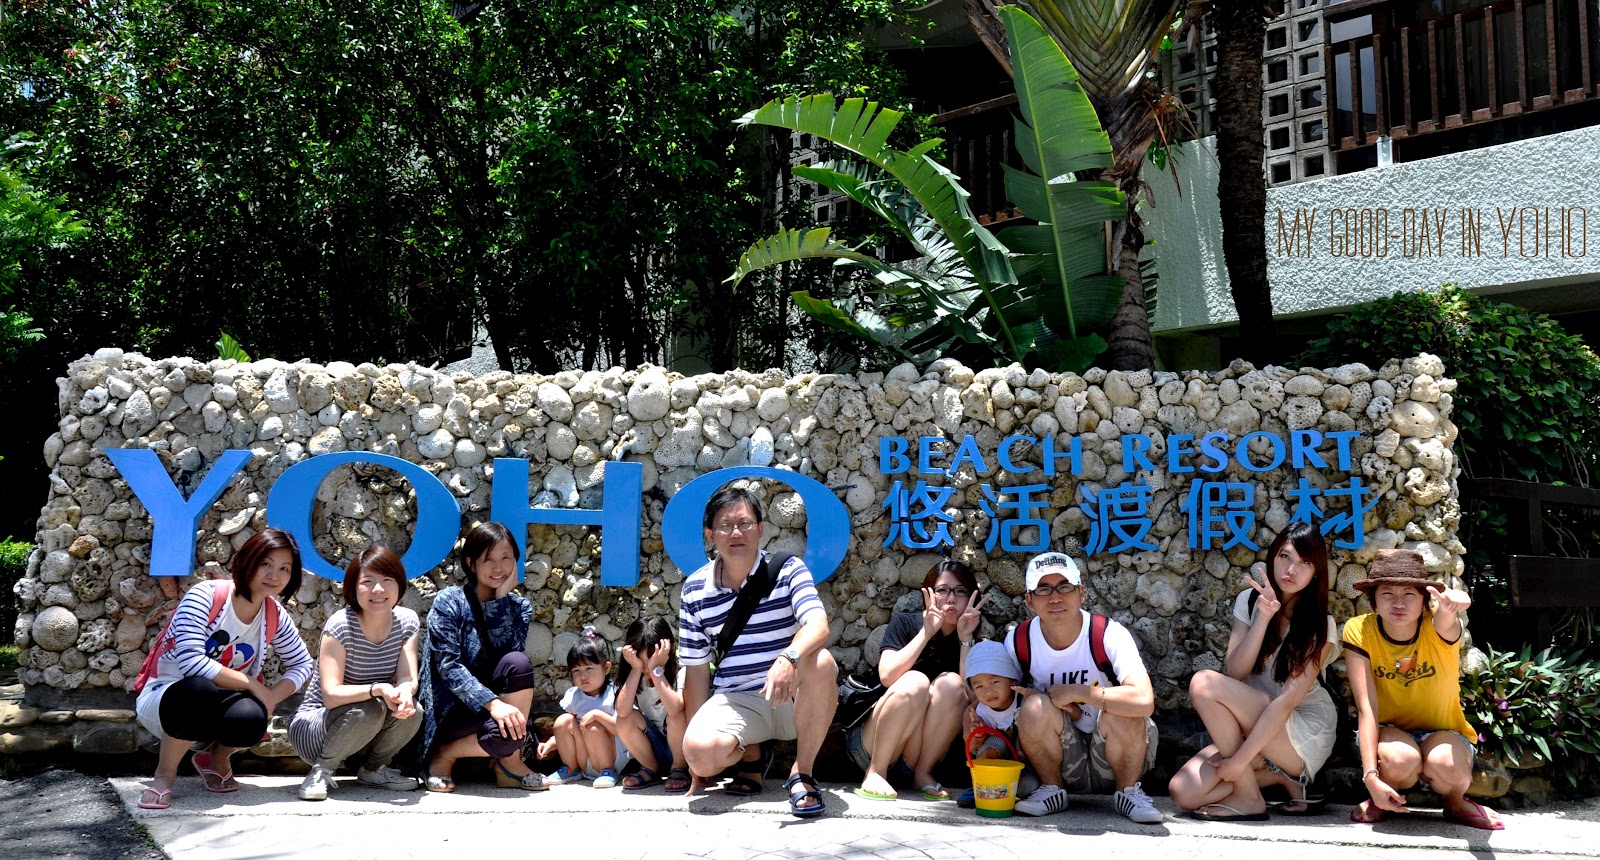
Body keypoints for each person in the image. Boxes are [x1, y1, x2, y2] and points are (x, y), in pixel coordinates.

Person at [678, 482, 837, 817]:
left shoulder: (789, 569)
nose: (736, 532)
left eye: (745, 523)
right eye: (725, 525)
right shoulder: (694, 589)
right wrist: (694, 751)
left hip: (792, 695)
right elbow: (696, 671)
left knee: (821, 661)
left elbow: (818, 625)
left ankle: (802, 773)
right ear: (710, 535)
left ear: (761, 529)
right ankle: (751, 754)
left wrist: (788, 658)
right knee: (700, 754)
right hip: (739, 700)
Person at [133, 528, 315, 810]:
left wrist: (270, 696)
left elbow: (302, 664)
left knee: (252, 717)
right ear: (246, 560)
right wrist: (252, 684)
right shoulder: (206, 595)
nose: (274, 575)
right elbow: (191, 661)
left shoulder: (274, 614)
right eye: (265, 563)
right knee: (199, 690)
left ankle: (215, 758)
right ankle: (164, 775)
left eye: (284, 568)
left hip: (217, 706)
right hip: (167, 701)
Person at [1168, 523, 1340, 820]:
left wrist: (1238, 762)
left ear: (1316, 572)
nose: (1292, 569)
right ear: (1273, 557)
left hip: (1299, 730)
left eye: (1305, 562)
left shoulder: (1321, 624)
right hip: (1252, 725)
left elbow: (1286, 702)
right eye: (1285, 557)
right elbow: (1236, 672)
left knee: (1204, 683)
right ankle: (1278, 777)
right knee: (1183, 791)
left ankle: (1249, 796)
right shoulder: (1250, 602)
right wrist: (1263, 617)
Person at [1343, 549, 1503, 830]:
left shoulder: (1436, 626)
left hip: (1444, 731)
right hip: (1388, 731)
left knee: (1447, 765)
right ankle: (1385, 796)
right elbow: (1367, 707)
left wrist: (1453, 605)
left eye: (1409, 594)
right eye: (1387, 593)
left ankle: (1455, 803)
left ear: (1424, 601)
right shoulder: (1360, 630)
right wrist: (1370, 777)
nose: (1398, 603)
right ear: (1373, 600)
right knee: (1400, 760)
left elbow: (1447, 619)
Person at [1006, 551, 1163, 823]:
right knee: (1032, 707)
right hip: (1062, 758)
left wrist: (1079, 692)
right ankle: (1051, 790)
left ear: (1081, 593)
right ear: (1030, 601)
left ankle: (1128, 793)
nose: (1055, 597)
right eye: (1044, 589)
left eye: (1064, 586)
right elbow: (996, 694)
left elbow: (1144, 700)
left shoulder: (1108, 634)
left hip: (1118, 756)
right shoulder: (1020, 641)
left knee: (1122, 707)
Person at [417, 522, 546, 792]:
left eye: (505, 558)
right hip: (451, 714)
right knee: (508, 729)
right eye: (488, 559)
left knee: (518, 663)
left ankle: (508, 764)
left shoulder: (518, 607)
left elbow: (507, 656)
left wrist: (500, 600)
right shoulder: (450, 601)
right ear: (471, 563)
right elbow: (448, 666)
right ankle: (443, 754)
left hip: (494, 718)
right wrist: (492, 703)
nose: (498, 567)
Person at [288, 546, 423, 800]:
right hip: (317, 727)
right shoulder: (341, 625)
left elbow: (408, 676)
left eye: (387, 580)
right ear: (353, 588)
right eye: (367, 582)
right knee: (371, 708)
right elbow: (331, 695)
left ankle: (372, 770)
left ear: (399, 584)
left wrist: (405, 691)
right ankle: (320, 772)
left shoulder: (407, 621)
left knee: (413, 710)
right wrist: (377, 689)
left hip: (363, 730)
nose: (378, 589)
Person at [849, 560, 988, 801]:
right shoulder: (905, 623)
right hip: (873, 744)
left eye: (960, 591)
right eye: (942, 590)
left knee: (953, 684)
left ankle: (923, 774)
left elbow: (971, 698)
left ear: (971, 597)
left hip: (917, 753)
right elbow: (887, 676)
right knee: (915, 681)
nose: (951, 599)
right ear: (929, 594)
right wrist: (926, 633)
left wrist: (965, 638)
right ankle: (875, 772)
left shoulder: (970, 638)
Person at [538, 629, 626, 787]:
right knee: (563, 720)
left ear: (606, 668)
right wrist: (551, 743)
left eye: (589, 669)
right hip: (585, 757)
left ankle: (607, 770)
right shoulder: (573, 696)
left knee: (593, 727)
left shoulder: (614, 694)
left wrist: (597, 716)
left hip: (610, 756)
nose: (583, 676)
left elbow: (622, 730)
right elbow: (567, 731)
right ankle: (571, 768)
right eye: (576, 671)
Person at [613, 616, 687, 792]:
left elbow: (675, 708)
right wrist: (636, 669)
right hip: (655, 748)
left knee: (676, 716)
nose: (647, 667)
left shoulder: (682, 671)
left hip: (682, 750)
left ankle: (679, 768)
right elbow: (622, 711)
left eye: (651, 659)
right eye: (641, 661)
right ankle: (650, 768)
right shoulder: (635, 676)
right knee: (624, 719)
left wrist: (656, 671)